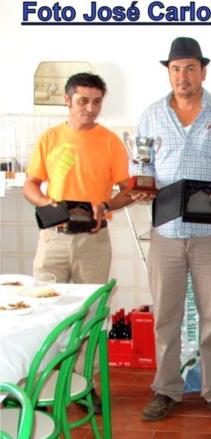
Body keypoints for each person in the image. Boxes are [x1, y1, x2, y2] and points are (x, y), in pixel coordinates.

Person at [139, 37, 211, 422]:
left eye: (189, 68)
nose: (182, 75)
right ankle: (166, 390)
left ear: (203, 71)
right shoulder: (152, 115)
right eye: (175, 69)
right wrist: (142, 184)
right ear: (168, 72)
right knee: (165, 317)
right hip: (166, 233)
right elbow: (142, 164)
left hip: (210, 233)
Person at [23, 72, 137, 413]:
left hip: (93, 241)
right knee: (45, 311)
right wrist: (48, 204)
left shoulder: (110, 141)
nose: (90, 108)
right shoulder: (50, 138)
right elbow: (31, 184)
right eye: (83, 101)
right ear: (67, 100)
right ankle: (42, 386)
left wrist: (108, 205)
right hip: (53, 239)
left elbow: (129, 190)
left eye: (96, 101)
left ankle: (85, 385)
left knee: (90, 315)